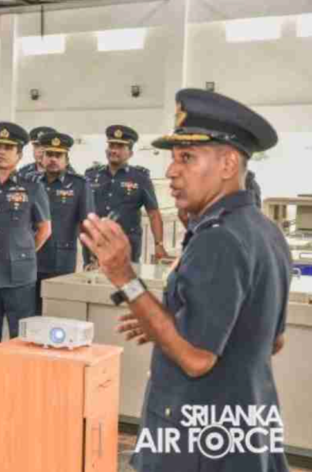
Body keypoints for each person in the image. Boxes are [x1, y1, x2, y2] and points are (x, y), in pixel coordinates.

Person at [80, 89, 291, 471]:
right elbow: (271, 339)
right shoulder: (264, 231)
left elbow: (196, 359)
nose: (171, 171)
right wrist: (168, 324)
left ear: (228, 164)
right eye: (173, 158)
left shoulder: (218, 240)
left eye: (187, 158)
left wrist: (125, 276)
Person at [0, 122, 51, 422]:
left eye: (8, 148)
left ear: (19, 153)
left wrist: (23, 253)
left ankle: (19, 400)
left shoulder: (32, 187)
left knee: (20, 342)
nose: (1, 152)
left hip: (19, 280)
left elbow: (44, 229)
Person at [84, 125, 168, 264]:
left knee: (127, 277)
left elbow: (153, 213)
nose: (114, 150)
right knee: (91, 277)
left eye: (120, 147)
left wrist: (159, 245)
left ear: (130, 153)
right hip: (96, 244)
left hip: (127, 244)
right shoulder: (91, 175)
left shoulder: (140, 178)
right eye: (111, 146)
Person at [33, 130, 94, 316]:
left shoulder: (79, 185)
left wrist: (92, 258)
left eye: (58, 155)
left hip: (61, 260)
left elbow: (86, 224)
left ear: (66, 160)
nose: (53, 159)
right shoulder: (31, 182)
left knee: (57, 312)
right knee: (30, 312)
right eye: (49, 154)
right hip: (31, 258)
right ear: (42, 158)